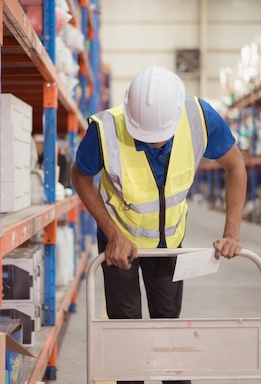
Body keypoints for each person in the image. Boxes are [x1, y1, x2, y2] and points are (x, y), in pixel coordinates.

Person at [71, 65, 247, 384]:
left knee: (168, 326)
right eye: (145, 136)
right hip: (119, 242)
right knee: (126, 332)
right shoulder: (106, 129)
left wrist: (231, 233)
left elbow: (236, 166)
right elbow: (80, 176)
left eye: (160, 137)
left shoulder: (199, 118)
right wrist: (113, 234)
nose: (153, 144)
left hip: (169, 243)